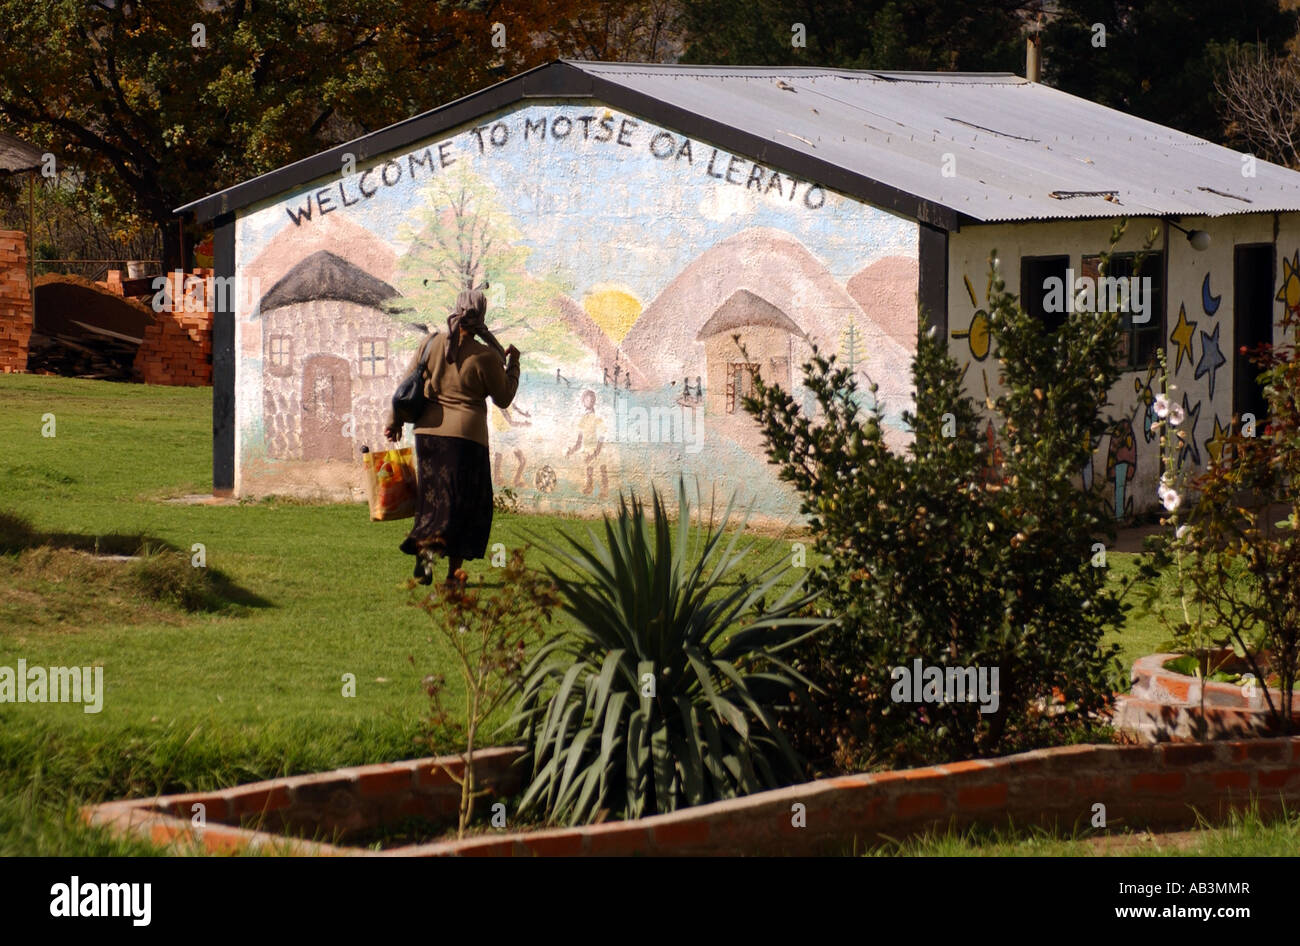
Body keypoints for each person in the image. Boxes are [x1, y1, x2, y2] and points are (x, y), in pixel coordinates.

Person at [384, 289, 520, 586]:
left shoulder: (430, 343)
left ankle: (427, 558)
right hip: (466, 440)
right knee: (463, 505)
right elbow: (504, 397)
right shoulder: (485, 356)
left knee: (434, 502)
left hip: (428, 437)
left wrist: (394, 422)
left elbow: (407, 384)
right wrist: (514, 365)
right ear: (481, 316)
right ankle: (452, 576)